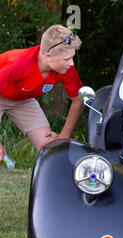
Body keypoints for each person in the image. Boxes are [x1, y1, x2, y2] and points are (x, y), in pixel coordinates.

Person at [0, 24, 84, 162]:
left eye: (72, 57)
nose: (72, 64)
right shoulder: (19, 64)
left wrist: (64, 136)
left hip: (23, 100)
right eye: (67, 59)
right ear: (48, 56)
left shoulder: (67, 69)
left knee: (51, 149)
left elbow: (78, 101)